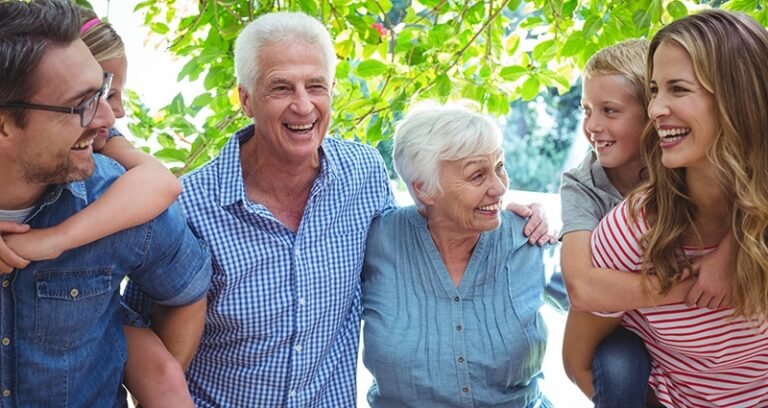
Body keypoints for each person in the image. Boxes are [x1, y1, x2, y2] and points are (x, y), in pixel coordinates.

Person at [125, 11, 552, 406]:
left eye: (315, 86)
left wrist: (494, 207)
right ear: (246, 99)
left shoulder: (362, 174)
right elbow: (141, 345)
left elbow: (421, 232)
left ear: (332, 91)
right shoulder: (188, 207)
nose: (303, 105)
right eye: (281, 87)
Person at [0, 0, 212, 405]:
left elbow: (186, 290)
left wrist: (155, 388)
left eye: (103, 91)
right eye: (81, 103)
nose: (109, 119)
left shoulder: (118, 199)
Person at [564, 9, 768, 407]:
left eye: (678, 89)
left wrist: (737, 245)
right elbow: (580, 360)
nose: (656, 109)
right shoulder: (629, 230)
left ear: (740, 97)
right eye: (655, 90)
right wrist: (691, 288)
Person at [361, 104, 568, 407]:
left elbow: (602, 301)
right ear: (424, 189)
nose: (499, 187)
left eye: (500, 166)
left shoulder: (527, 237)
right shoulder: (375, 242)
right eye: (477, 175)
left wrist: (572, 231)